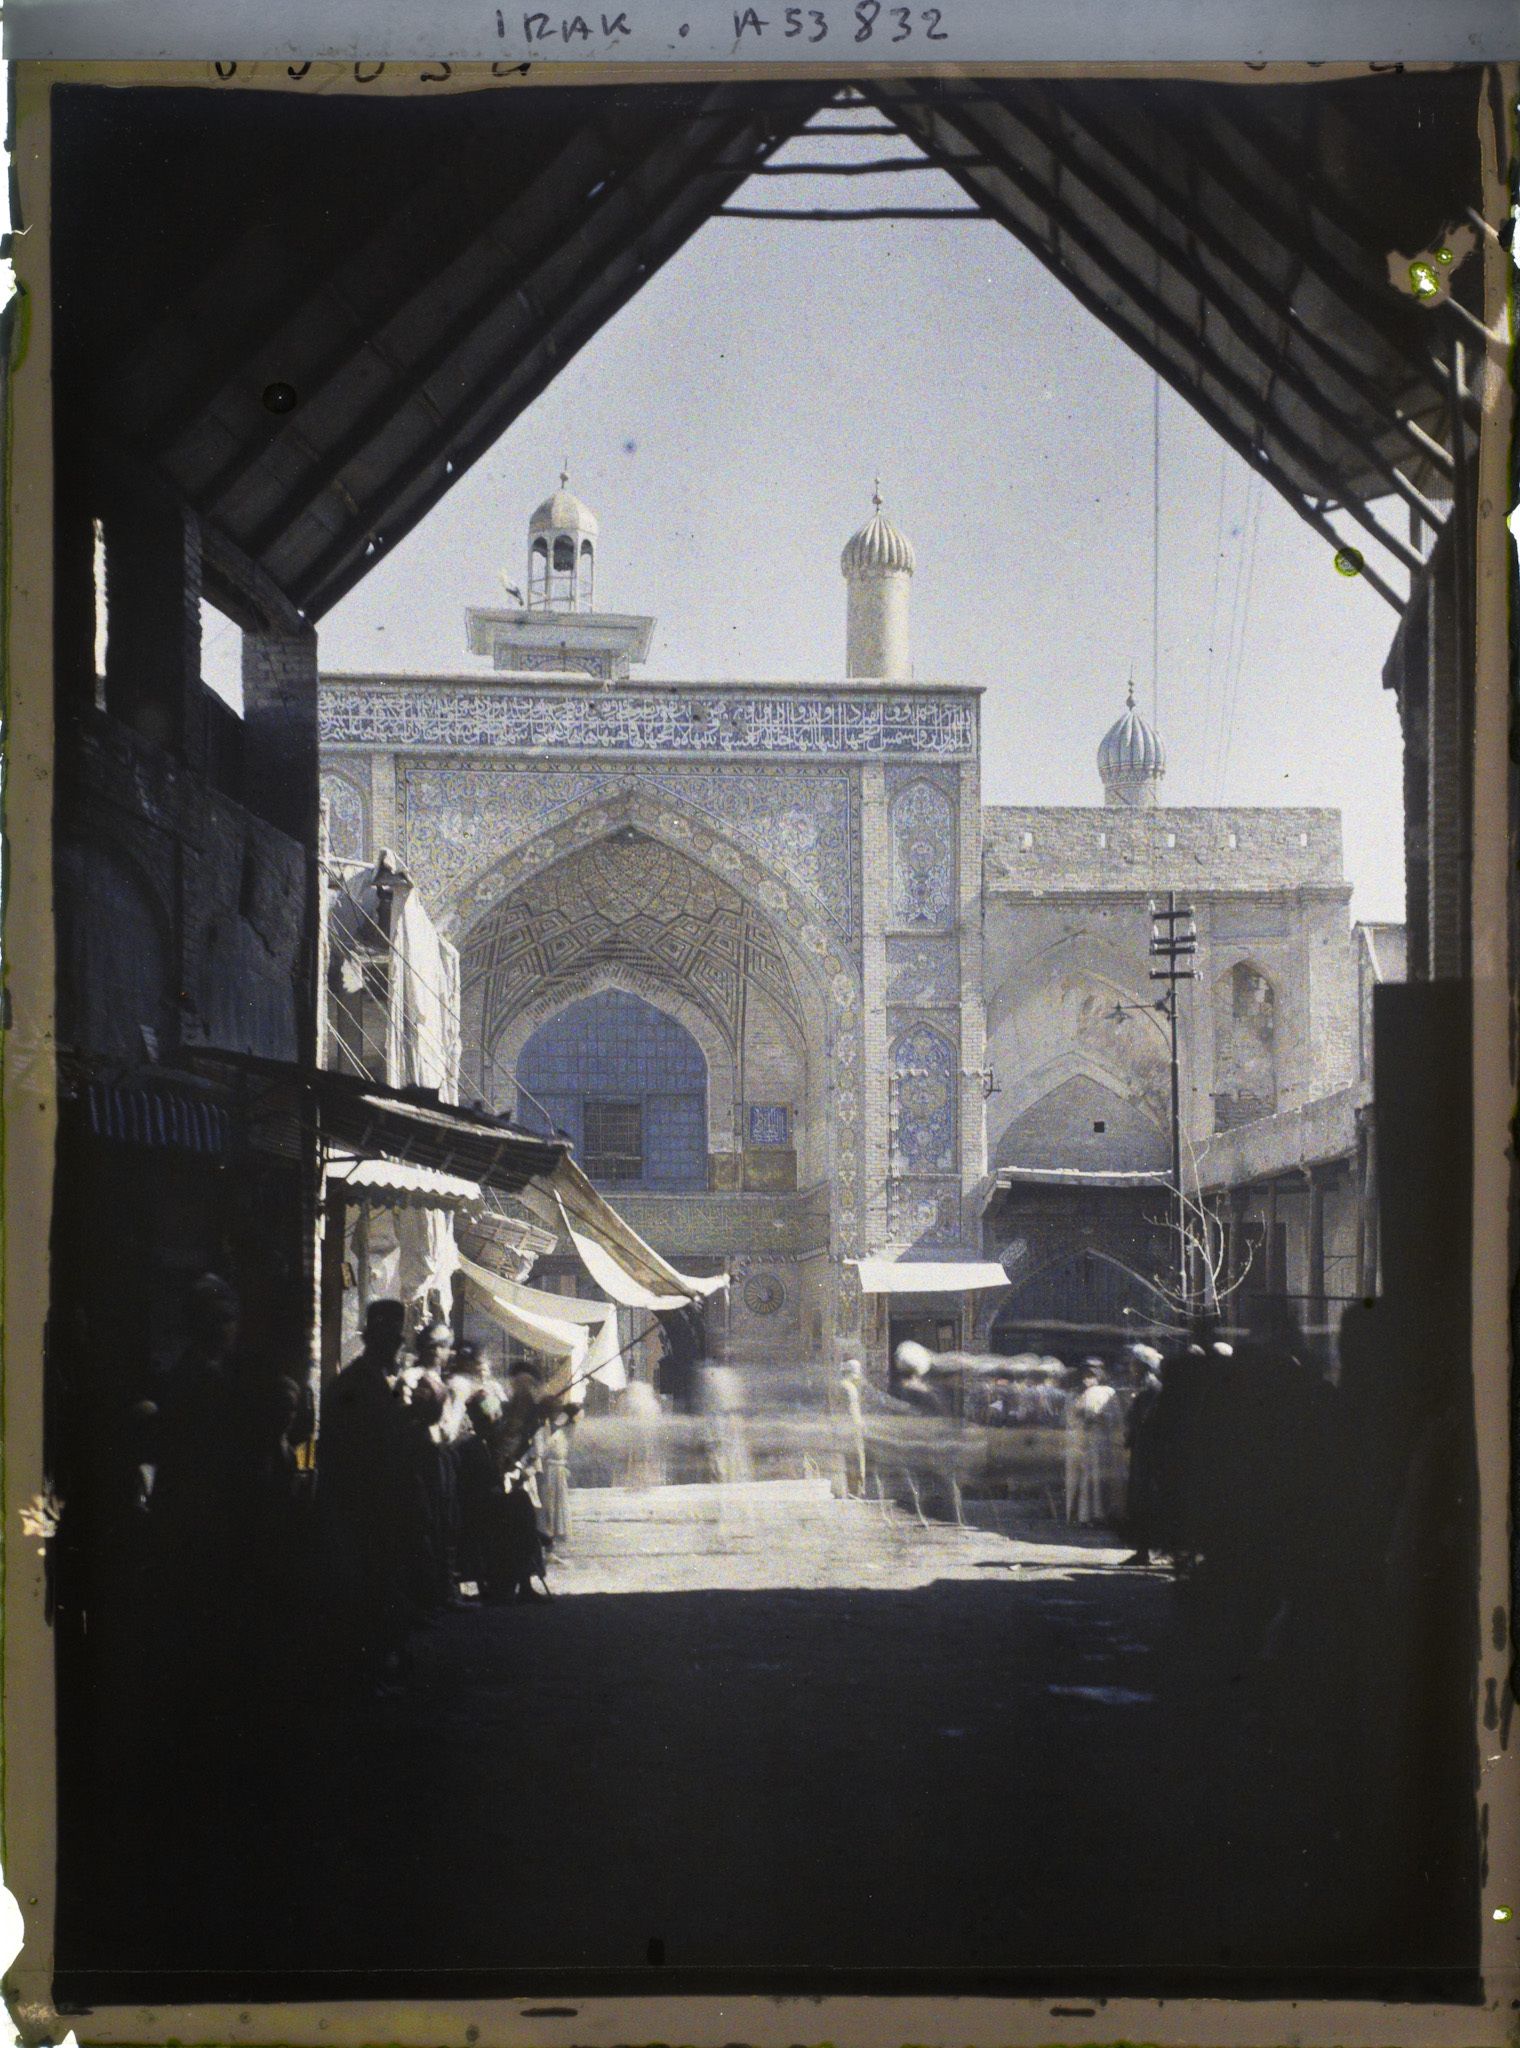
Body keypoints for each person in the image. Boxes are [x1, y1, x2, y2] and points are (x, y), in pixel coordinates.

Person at [317, 1298, 420, 1689]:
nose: (395, 1343)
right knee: (370, 1581)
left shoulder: (386, 1381)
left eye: (397, 1336)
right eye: (389, 1336)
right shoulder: (356, 1384)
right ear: (372, 1338)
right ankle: (371, 1661)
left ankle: (389, 1650)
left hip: (390, 1497)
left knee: (389, 1577)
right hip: (365, 1499)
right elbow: (350, 1443)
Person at [1119, 1344, 1165, 1565]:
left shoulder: (1153, 1390)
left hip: (1150, 1454)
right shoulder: (1144, 1390)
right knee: (1140, 1500)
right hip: (1142, 1451)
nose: (1130, 1368)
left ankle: (1147, 1550)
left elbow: (1146, 1422)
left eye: (1134, 1364)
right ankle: (1143, 1550)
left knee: (1147, 1500)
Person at [1071, 1359, 1121, 1527]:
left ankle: (1102, 1514)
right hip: (1091, 1440)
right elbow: (1075, 1416)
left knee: (1101, 1477)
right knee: (1090, 1477)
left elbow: (1116, 1417)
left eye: (1092, 1375)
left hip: (1103, 1439)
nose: (1088, 1379)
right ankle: (1090, 1515)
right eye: (1086, 1375)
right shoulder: (1085, 1394)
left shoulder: (1109, 1392)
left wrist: (1098, 1418)